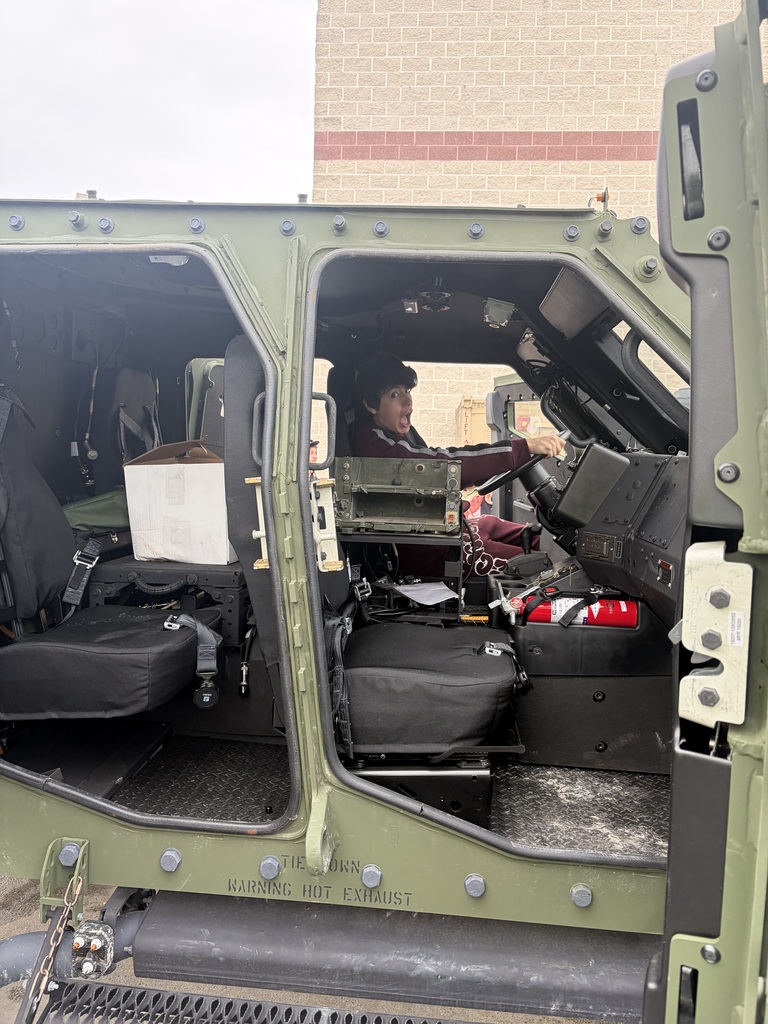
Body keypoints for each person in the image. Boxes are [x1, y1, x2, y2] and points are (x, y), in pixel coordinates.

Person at [351, 353, 565, 576]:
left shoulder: (392, 433)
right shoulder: (375, 444)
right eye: (395, 394)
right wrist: (523, 448)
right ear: (370, 405)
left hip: (445, 529)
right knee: (548, 567)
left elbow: (440, 470)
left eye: (406, 391)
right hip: (431, 548)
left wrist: (501, 463)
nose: (408, 400)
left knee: (530, 535)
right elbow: (440, 464)